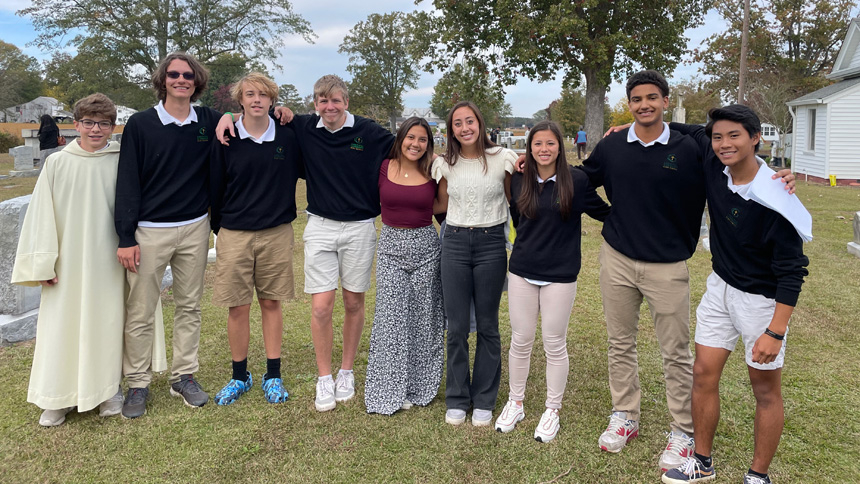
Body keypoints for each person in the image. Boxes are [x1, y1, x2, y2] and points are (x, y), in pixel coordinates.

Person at [585, 70, 797, 470]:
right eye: (636, 99)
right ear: (628, 104)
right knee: (620, 342)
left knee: (676, 352)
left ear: (666, 100)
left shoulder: (693, 145)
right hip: (617, 260)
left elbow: (730, 144)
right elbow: (583, 178)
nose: (644, 105)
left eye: (653, 97)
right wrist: (606, 215)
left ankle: (683, 430)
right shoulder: (613, 145)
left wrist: (774, 174)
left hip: (668, 265)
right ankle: (625, 415)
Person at [216, 74, 394, 412]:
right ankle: (324, 377)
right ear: (314, 104)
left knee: (354, 302)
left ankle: (346, 371)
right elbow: (253, 116)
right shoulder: (303, 127)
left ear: (346, 102)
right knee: (321, 306)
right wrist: (227, 116)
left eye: (336, 101)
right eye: (323, 101)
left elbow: (409, 146)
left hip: (359, 227)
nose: (330, 107)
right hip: (321, 226)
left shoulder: (369, 131)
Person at [661, 105, 809, 484]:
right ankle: (702, 463)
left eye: (734, 136)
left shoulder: (775, 194)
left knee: (764, 388)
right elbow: (680, 126)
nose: (724, 144)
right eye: (718, 137)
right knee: (703, 374)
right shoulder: (714, 162)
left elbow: (793, 270)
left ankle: (757, 476)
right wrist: (629, 125)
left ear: (756, 138)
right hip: (720, 288)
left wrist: (775, 331)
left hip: (760, 301)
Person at [116, 52, 221, 418]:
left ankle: (183, 376)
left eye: (188, 75)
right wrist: (125, 236)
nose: (181, 80)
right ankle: (137, 383)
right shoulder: (141, 125)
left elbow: (249, 118)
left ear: (197, 81)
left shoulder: (208, 119)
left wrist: (281, 112)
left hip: (194, 226)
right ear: (163, 80)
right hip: (149, 231)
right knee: (141, 310)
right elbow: (127, 181)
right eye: (174, 74)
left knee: (190, 306)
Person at [12, 94, 126, 426]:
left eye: (103, 123)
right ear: (75, 125)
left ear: (112, 127)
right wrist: (43, 262)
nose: (95, 129)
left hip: (108, 257)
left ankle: (107, 390)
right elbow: (42, 215)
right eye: (88, 122)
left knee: (107, 320)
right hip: (68, 260)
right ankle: (56, 395)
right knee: (62, 323)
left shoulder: (121, 160)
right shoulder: (58, 163)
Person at [494, 120, 609, 442]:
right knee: (521, 339)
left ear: (560, 146)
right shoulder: (519, 179)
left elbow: (605, 214)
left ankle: (551, 409)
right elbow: (518, 220)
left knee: (554, 343)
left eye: (550, 144)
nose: (544, 150)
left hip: (560, 275)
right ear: (529, 149)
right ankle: (516, 402)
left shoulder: (577, 180)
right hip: (521, 271)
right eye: (537, 144)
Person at [209, 73, 303, 406]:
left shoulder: (288, 138)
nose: (257, 100)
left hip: (276, 232)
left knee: (271, 303)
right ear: (240, 100)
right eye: (250, 94)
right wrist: (221, 227)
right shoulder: (227, 136)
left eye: (264, 94)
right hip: (234, 232)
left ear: (272, 100)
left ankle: (272, 374)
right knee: (238, 306)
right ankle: (240, 376)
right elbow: (215, 186)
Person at [432, 100, 517, 427]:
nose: (465, 128)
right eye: (457, 123)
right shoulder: (444, 164)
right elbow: (439, 202)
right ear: (451, 130)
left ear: (480, 124)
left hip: (491, 244)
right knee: (455, 328)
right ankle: (457, 397)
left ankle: (484, 399)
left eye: (470, 121)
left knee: (487, 326)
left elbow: (515, 202)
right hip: (453, 243)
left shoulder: (503, 160)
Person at [364, 117, 446, 415]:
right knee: (391, 319)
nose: (415, 144)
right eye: (410, 137)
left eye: (422, 139)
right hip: (390, 250)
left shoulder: (433, 170)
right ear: (400, 138)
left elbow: (442, 204)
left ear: (429, 143)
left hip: (426, 248)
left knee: (425, 319)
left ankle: (419, 387)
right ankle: (388, 389)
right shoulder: (385, 167)